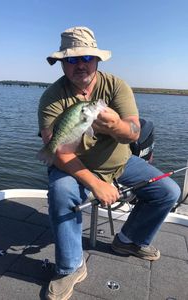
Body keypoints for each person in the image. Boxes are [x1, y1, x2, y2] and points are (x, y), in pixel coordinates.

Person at [38, 26, 180, 300]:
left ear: (97, 60)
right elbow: (60, 153)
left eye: (86, 58)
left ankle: (128, 241)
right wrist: (95, 184)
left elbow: (135, 132)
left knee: (168, 191)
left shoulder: (116, 86)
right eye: (71, 59)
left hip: (121, 162)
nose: (80, 65)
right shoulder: (51, 98)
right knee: (61, 193)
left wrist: (115, 124)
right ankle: (70, 267)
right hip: (74, 165)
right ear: (62, 64)